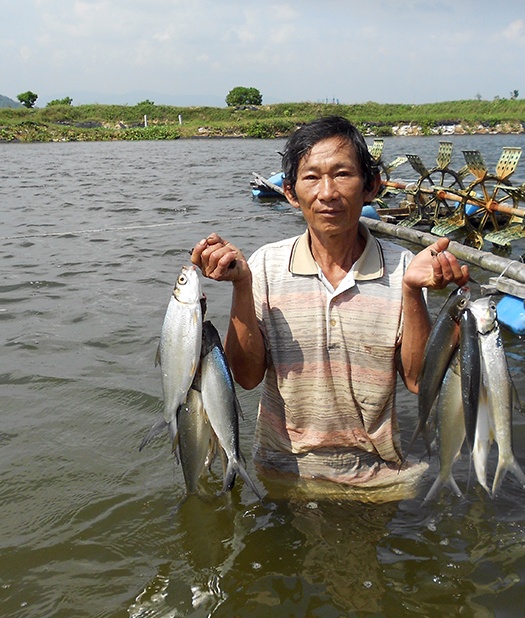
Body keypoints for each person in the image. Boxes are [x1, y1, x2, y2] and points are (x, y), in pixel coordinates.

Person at [191, 115, 468, 500]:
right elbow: (246, 376)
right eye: (311, 178)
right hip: (280, 474)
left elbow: (420, 382)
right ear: (289, 192)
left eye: (342, 174)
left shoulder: (405, 267)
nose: (328, 192)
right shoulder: (266, 266)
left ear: (371, 186)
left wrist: (410, 291)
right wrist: (242, 285)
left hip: (378, 480)